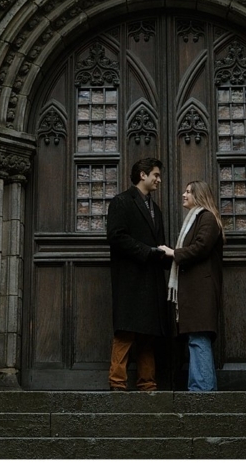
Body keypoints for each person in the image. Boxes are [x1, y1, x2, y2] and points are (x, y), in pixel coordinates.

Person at [105, 157, 170, 392]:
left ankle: (147, 383)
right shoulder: (121, 202)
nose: (159, 180)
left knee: (148, 334)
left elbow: (159, 243)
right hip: (130, 279)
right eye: (156, 175)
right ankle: (117, 382)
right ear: (142, 175)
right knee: (126, 331)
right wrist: (147, 252)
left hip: (151, 281)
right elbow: (116, 236)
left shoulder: (156, 209)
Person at [159, 180, 225, 392]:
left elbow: (201, 247)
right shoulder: (197, 218)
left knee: (198, 338)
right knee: (196, 339)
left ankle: (202, 392)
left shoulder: (206, 218)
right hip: (196, 292)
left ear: (199, 195)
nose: (184, 195)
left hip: (201, 292)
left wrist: (173, 253)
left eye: (188, 191)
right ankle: (203, 389)